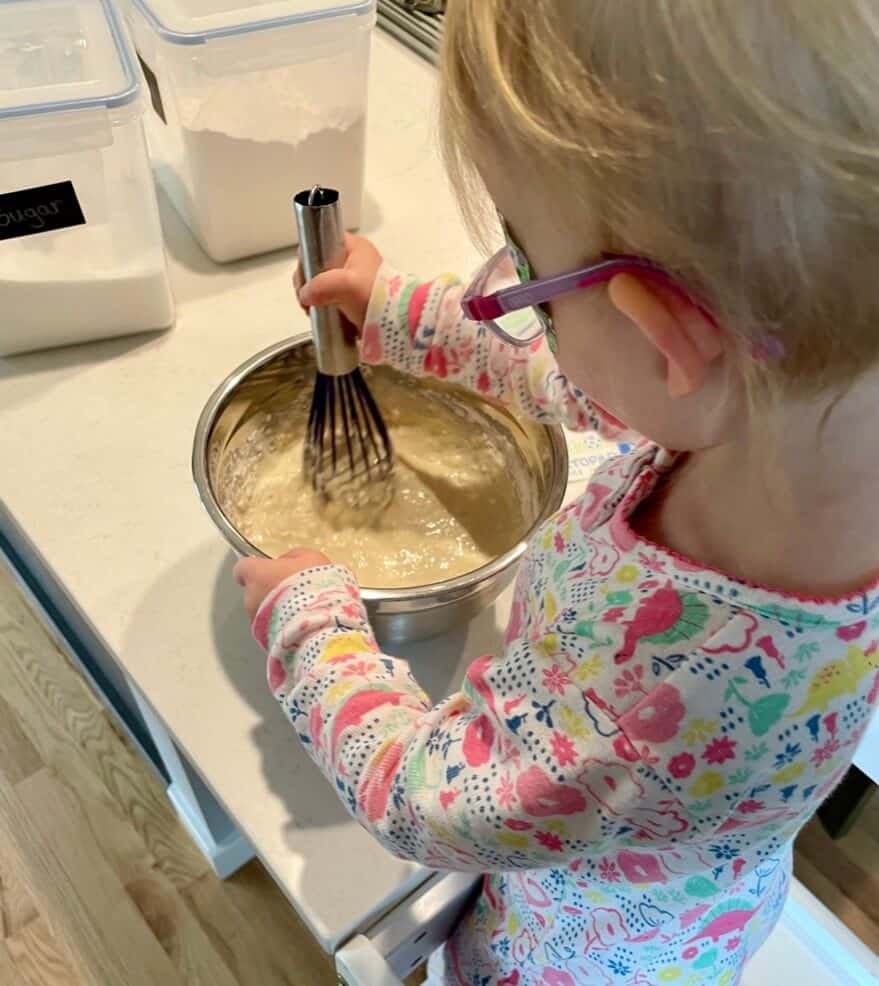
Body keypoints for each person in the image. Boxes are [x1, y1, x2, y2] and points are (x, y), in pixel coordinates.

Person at [234, 2, 879, 982]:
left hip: (575, 953)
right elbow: (588, 383)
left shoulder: (663, 695)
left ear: (668, 335)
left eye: (526, 269)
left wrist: (312, 623)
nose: (521, 291)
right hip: (711, 901)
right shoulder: (803, 426)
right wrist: (404, 312)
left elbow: (423, 799)